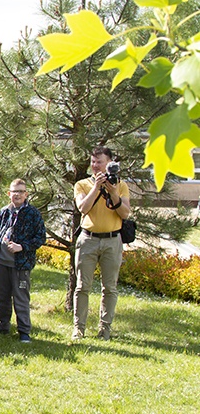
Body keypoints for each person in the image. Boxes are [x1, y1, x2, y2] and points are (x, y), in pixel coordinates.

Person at [73, 146, 131, 341]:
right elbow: (83, 208)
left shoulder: (121, 185)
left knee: (110, 288)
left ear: (110, 164)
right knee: (82, 286)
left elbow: (124, 213)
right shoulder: (82, 184)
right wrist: (97, 187)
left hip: (112, 240)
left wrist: (113, 192)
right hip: (88, 239)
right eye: (93, 162)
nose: (95, 165)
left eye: (100, 162)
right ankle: (78, 328)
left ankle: (104, 329)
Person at [0, 180, 45, 343]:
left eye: (21, 191)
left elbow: (41, 237)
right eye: (14, 191)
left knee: (20, 297)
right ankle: (3, 326)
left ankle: (24, 331)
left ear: (26, 194)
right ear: (9, 193)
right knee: (1, 296)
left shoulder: (32, 213)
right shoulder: (5, 211)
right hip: (1, 262)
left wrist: (22, 246)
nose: (17, 194)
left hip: (20, 264)